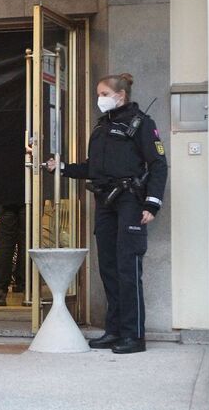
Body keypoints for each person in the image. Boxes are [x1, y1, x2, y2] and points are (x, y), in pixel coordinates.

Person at [47, 73, 167, 354]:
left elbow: (158, 165)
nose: (99, 99)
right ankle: (114, 331)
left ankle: (133, 335)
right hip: (105, 202)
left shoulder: (141, 124)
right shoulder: (102, 126)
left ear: (120, 95)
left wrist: (151, 204)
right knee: (109, 269)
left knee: (128, 268)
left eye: (103, 94)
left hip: (130, 202)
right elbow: (93, 167)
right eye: (98, 94)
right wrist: (62, 168)